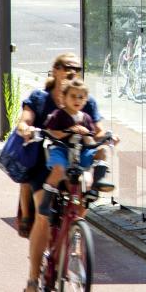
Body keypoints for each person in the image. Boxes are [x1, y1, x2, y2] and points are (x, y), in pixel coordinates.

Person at [16, 53, 106, 292]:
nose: (72, 72)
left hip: (75, 163)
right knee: (44, 219)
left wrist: (103, 139)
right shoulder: (40, 98)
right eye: (67, 67)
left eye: (77, 68)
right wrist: (25, 129)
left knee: (83, 193)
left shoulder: (84, 99)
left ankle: (76, 231)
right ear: (55, 70)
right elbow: (25, 120)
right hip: (43, 166)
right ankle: (33, 279)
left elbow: (97, 130)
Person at [37, 79, 114, 219]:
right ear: (64, 97)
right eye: (73, 96)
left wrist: (103, 140)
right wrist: (70, 130)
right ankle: (45, 203)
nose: (77, 100)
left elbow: (90, 139)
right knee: (58, 169)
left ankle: (97, 186)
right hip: (61, 149)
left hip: (80, 151)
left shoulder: (86, 118)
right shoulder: (58, 115)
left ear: (85, 100)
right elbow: (51, 132)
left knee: (101, 151)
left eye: (81, 97)